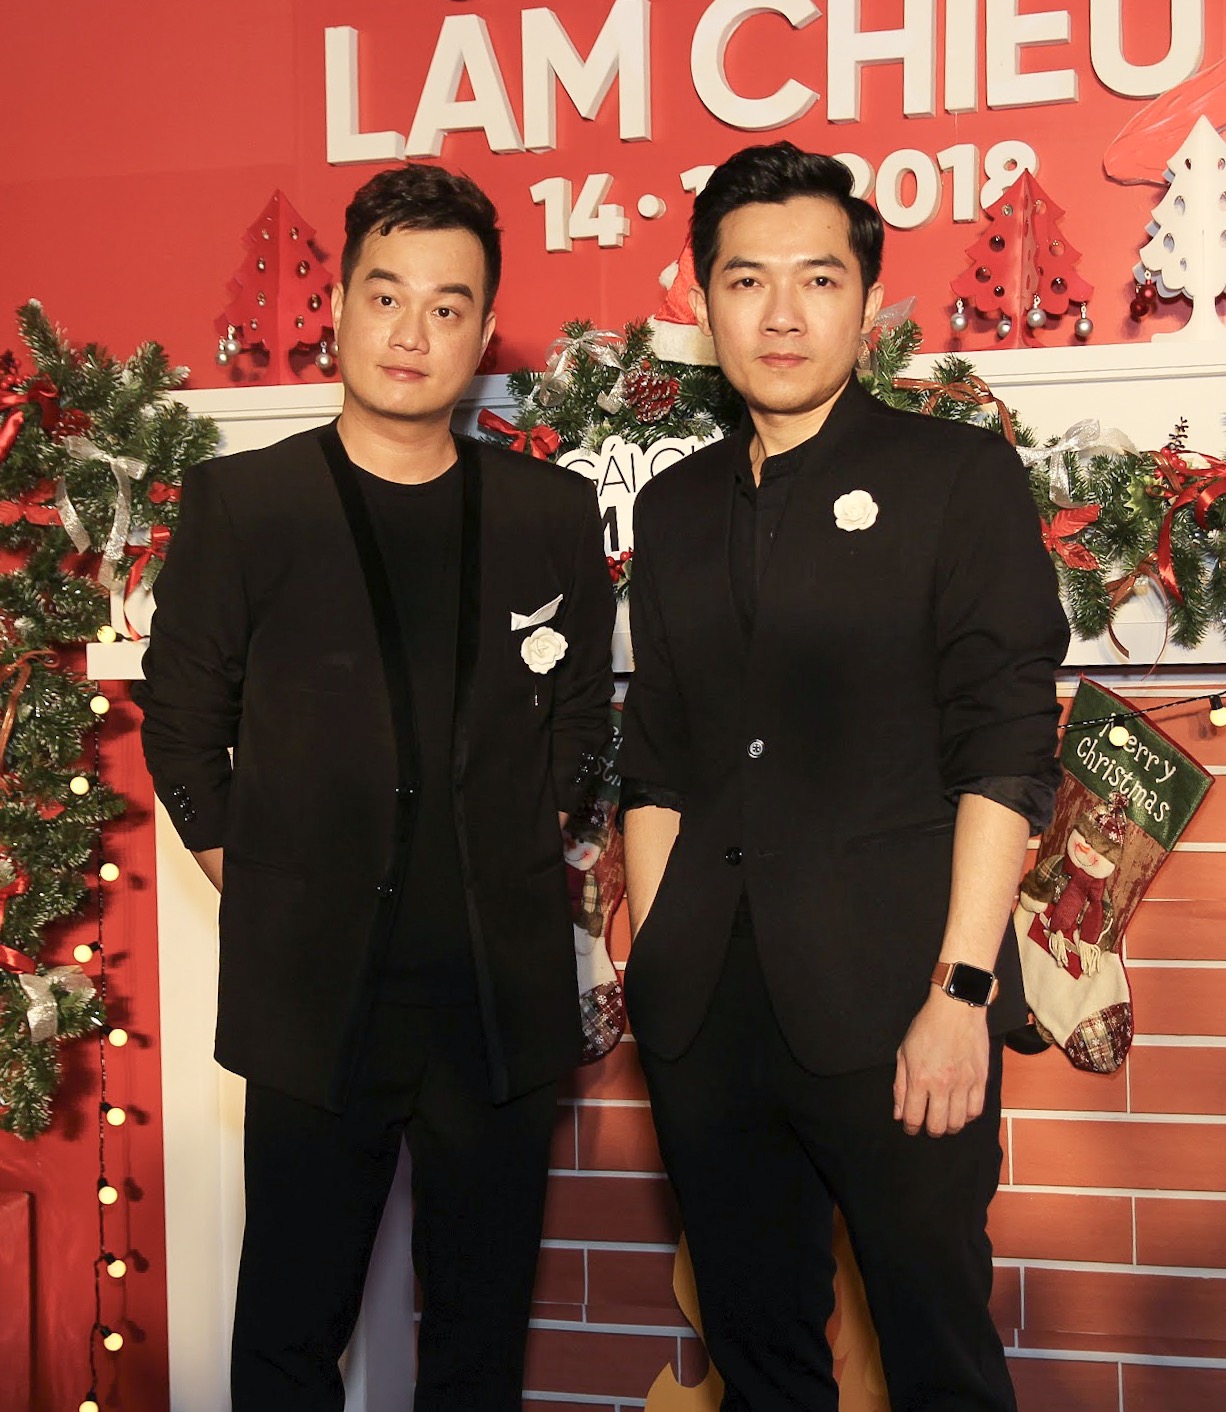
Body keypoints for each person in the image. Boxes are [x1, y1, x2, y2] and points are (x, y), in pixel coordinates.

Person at [134, 163, 614, 1412]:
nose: (411, 331)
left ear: (482, 331)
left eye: (446, 307)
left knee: (476, 1345)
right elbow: (181, 729)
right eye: (385, 295)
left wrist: (521, 838)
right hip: (313, 999)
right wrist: (273, 888)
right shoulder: (247, 503)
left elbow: (578, 719)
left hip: (497, 1000)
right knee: (288, 1337)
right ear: (338, 307)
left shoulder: (550, 512)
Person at [618, 142, 1069, 1412]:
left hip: (898, 1007)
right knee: (758, 1359)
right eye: (745, 280)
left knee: (937, 1358)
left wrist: (959, 990)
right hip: (707, 1015)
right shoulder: (674, 506)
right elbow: (656, 759)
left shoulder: (954, 476)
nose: (780, 313)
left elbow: (1003, 745)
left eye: (816, 279)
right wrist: (660, 967)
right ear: (701, 302)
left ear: (865, 299)